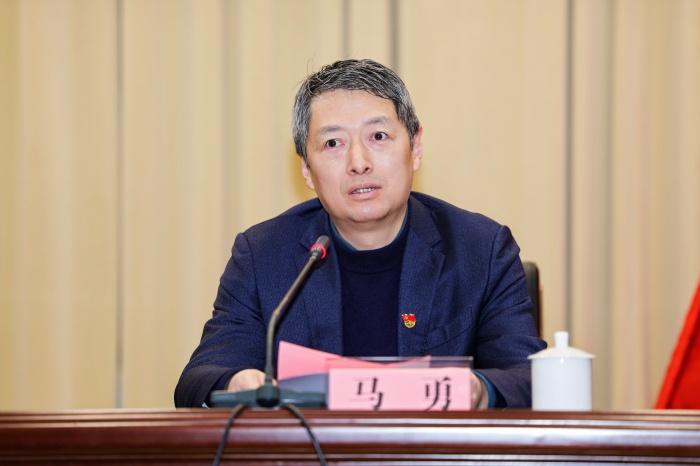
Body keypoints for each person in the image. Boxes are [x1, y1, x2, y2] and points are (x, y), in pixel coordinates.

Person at [174, 58, 546, 409]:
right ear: (306, 169)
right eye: (332, 143)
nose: (359, 163)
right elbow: (199, 378)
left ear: (415, 147)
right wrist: (235, 382)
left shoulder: (481, 249)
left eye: (378, 136)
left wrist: (479, 389)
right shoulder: (263, 255)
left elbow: (529, 378)